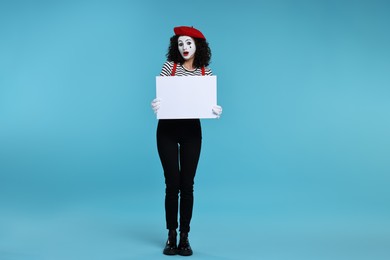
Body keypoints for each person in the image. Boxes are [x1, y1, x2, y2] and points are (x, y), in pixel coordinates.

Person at [151, 26, 222, 256]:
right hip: (167, 131)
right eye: (181, 43)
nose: (184, 47)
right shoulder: (168, 68)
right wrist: (156, 104)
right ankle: (171, 236)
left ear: (197, 46)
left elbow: (208, 102)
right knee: (172, 184)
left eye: (188, 43)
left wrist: (215, 109)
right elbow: (161, 96)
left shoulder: (205, 74)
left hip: (191, 131)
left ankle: (185, 237)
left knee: (187, 185)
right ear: (176, 46)